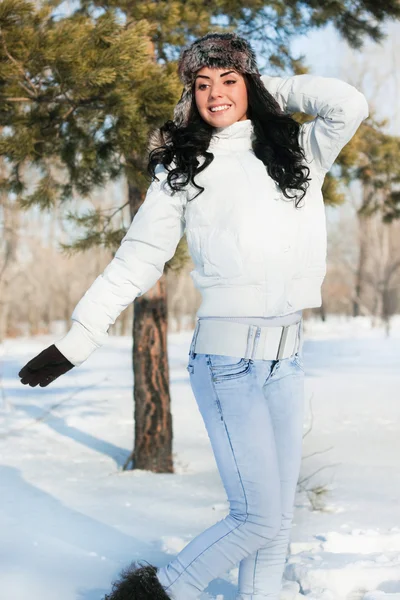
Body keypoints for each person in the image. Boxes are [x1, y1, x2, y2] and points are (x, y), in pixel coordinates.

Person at [18, 31, 369, 600]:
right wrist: (78, 340)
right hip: (228, 362)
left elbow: (350, 103)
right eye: (201, 84)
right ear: (190, 95)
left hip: (286, 360)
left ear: (251, 84)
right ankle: (154, 593)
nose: (215, 94)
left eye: (229, 81)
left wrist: (265, 88)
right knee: (255, 518)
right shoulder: (184, 167)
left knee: (275, 525)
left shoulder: (298, 152)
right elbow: (137, 258)